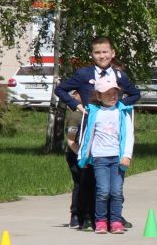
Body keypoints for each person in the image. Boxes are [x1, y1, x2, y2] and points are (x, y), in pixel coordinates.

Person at [78, 78, 135, 234]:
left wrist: (127, 155)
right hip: (100, 158)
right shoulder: (94, 113)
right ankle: (101, 221)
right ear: (99, 96)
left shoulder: (122, 112)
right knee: (103, 191)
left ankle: (116, 221)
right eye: (108, 94)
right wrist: (83, 156)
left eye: (115, 93)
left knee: (116, 191)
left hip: (118, 157)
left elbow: (129, 135)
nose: (112, 96)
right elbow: (87, 136)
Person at [54, 36, 142, 111]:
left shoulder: (120, 76)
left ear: (113, 53)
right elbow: (59, 90)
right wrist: (76, 105)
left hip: (114, 126)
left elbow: (135, 94)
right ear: (91, 54)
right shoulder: (83, 74)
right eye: (97, 53)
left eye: (105, 52)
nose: (102, 56)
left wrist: (119, 105)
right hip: (90, 124)